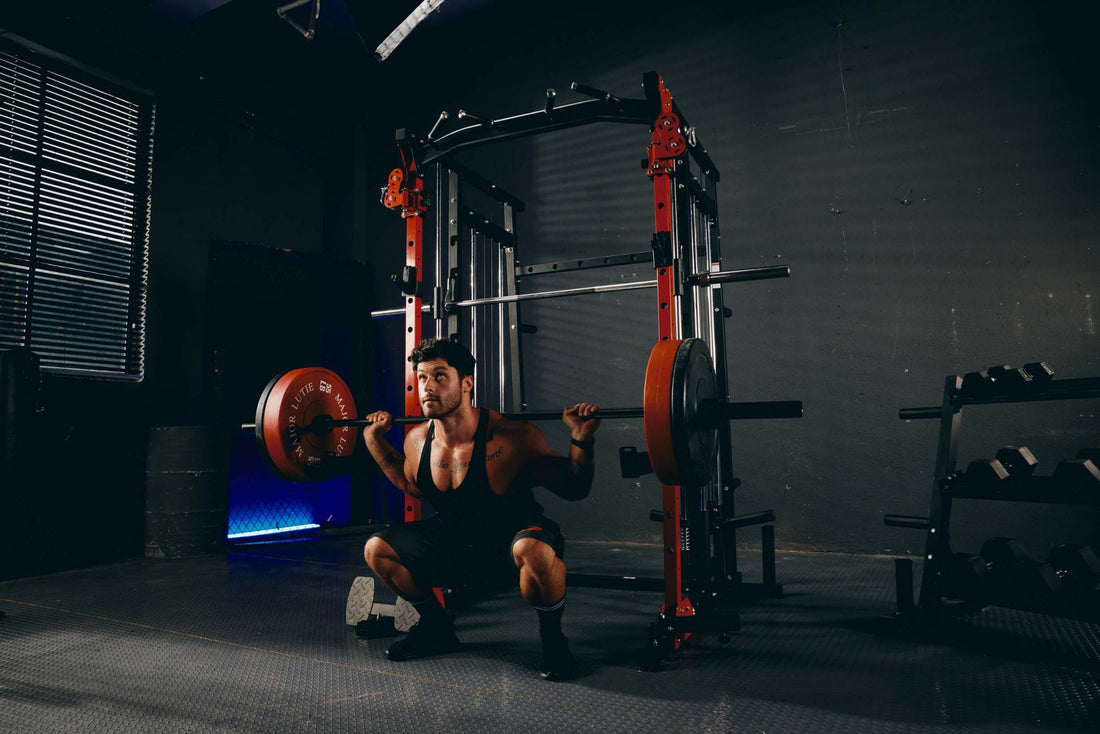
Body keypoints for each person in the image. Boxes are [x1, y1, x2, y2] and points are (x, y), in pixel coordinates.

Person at [361, 338, 600, 681]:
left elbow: (576, 489)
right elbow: (413, 486)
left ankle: (553, 641)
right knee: (377, 549)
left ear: (467, 383)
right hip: (455, 545)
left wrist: (581, 439)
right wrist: (373, 442)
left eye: (440, 376)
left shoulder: (512, 438)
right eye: (422, 378)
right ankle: (435, 627)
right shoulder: (415, 440)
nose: (428, 387)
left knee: (532, 548)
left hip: (511, 543)